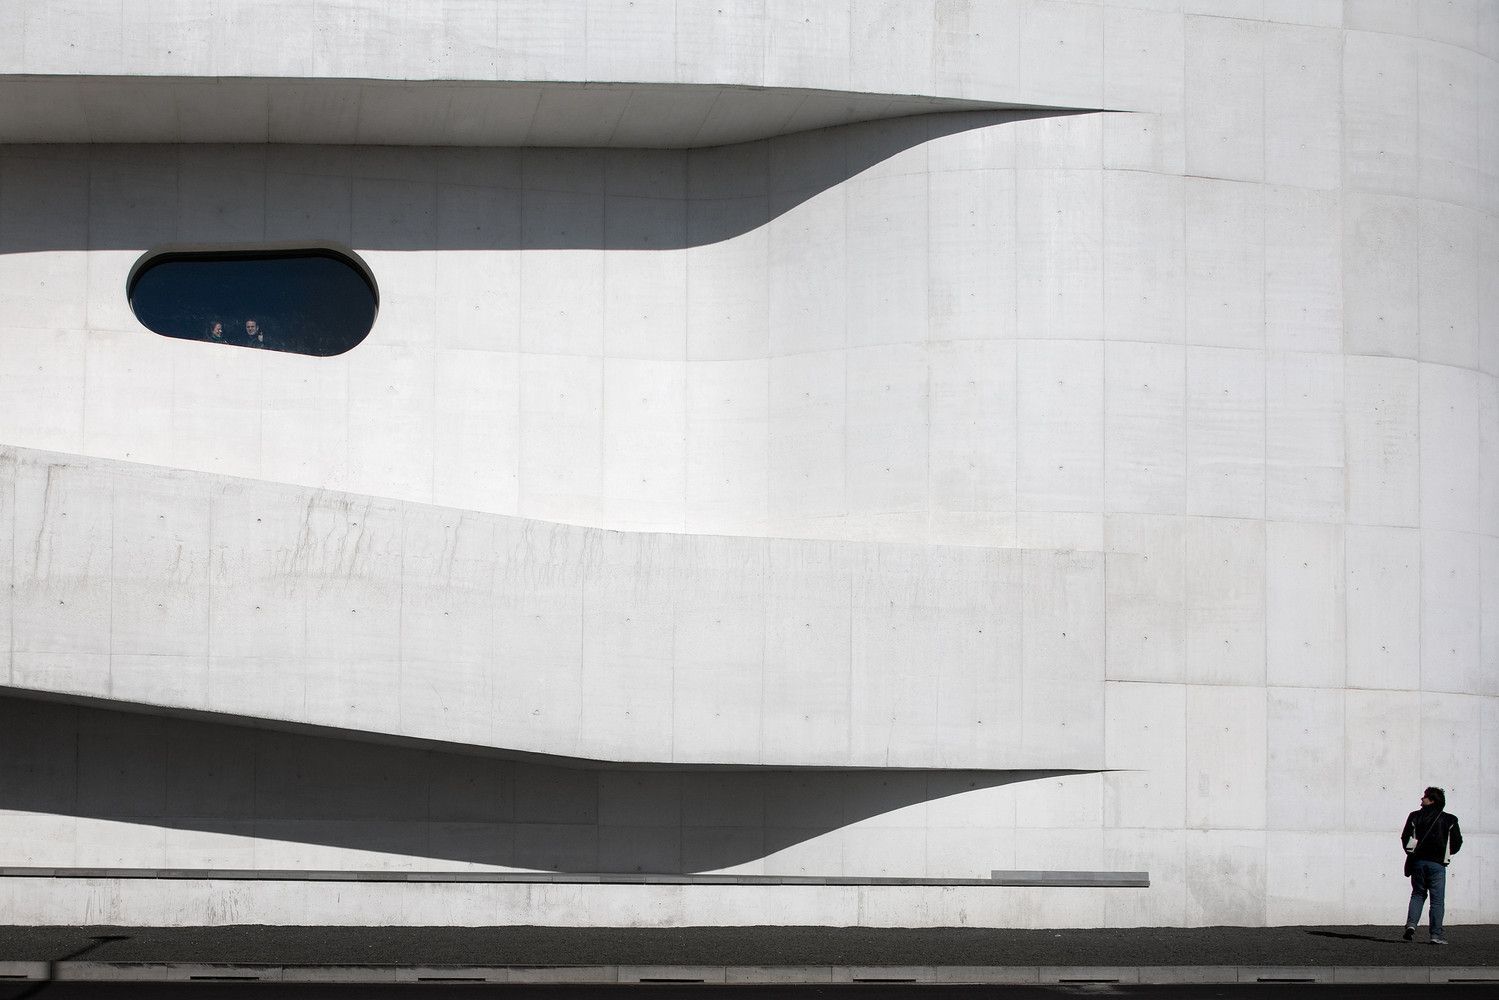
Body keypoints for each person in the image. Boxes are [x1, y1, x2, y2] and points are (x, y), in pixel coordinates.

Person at [1401, 786, 1462, 944]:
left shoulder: (1414, 816)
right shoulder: (1450, 819)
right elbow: (1457, 842)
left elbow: (1405, 838)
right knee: (1437, 900)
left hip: (1418, 862)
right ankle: (1436, 935)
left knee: (1417, 894)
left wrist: (1411, 853)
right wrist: (1445, 853)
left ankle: (1411, 925)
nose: (1422, 799)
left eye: (1425, 796)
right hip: (1437, 864)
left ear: (1432, 800)